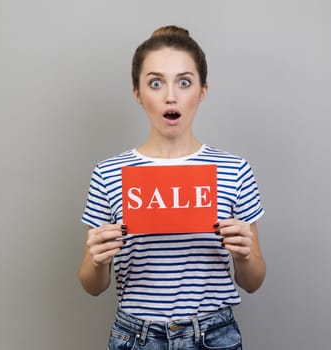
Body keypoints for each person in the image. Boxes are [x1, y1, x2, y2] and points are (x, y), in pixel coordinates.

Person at [79, 25, 266, 350]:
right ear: (137, 93)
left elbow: (253, 281)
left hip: (214, 336)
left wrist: (245, 254)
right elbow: (93, 286)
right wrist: (96, 261)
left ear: (202, 90)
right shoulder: (109, 174)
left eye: (184, 82)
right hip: (136, 338)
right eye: (155, 83)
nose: (171, 95)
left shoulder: (234, 170)